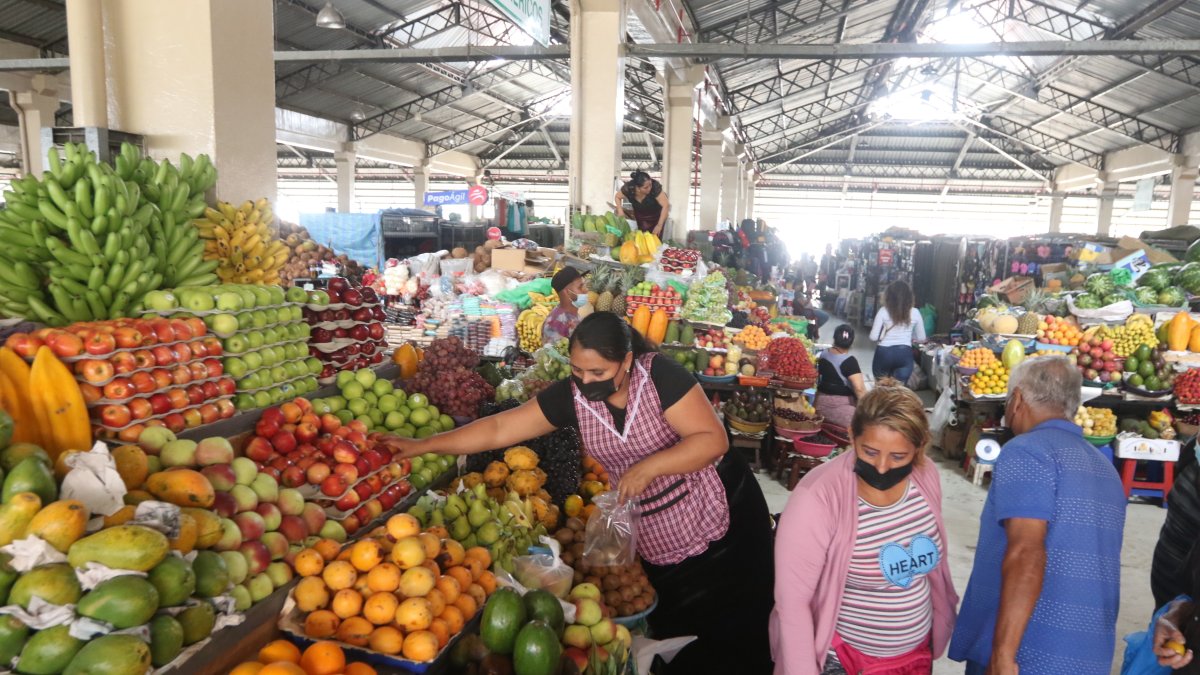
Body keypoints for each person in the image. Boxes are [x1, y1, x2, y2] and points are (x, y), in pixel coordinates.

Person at [390, 312, 776, 674]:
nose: (587, 381)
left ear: (626, 361)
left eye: (598, 371)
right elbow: (497, 430)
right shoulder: (571, 397)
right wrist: (420, 446)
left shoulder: (660, 377)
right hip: (658, 528)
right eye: (577, 371)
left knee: (735, 625)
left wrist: (650, 466)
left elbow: (713, 440)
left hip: (721, 519)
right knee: (682, 628)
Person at [949, 356, 1126, 675]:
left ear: (1017, 400)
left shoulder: (1026, 451)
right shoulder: (1106, 470)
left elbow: (1026, 552)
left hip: (1028, 654)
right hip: (1089, 656)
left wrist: (1003, 656)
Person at [771, 385, 958, 675]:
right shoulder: (816, 498)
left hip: (916, 654)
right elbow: (792, 603)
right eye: (869, 452)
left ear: (919, 449)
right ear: (851, 436)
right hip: (846, 661)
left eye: (898, 456)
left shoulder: (926, 476)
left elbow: (934, 569)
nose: (882, 468)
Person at [870, 280, 925, 383]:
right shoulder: (915, 312)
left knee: (881, 390)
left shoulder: (883, 311)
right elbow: (921, 338)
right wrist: (910, 336)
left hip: (883, 354)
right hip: (904, 355)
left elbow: (873, 337)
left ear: (888, 296)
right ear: (909, 296)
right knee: (897, 393)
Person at [814, 325, 867, 430]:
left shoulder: (824, 354)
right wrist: (868, 410)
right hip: (841, 409)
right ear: (852, 342)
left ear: (834, 338)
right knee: (865, 427)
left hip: (819, 404)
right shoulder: (850, 361)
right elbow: (859, 389)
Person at [614, 171, 669, 237]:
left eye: (650, 185)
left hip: (657, 217)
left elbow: (665, 205)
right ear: (637, 188)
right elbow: (617, 197)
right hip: (640, 217)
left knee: (656, 238)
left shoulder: (655, 187)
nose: (649, 188)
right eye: (646, 187)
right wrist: (620, 210)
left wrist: (659, 225)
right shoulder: (629, 188)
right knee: (641, 237)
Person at [541, 267, 587, 345]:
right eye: (580, 287)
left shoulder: (572, 312)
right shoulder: (556, 324)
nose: (586, 290)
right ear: (567, 292)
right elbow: (555, 355)